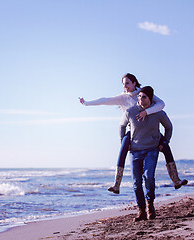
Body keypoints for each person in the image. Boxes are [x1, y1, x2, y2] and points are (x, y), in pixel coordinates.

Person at [79, 73, 187, 194]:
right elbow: (105, 100)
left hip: (150, 129)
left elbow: (161, 104)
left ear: (134, 83)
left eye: (127, 83)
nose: (125, 86)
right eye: (123, 84)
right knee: (122, 149)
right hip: (133, 130)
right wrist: (86, 103)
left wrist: (147, 112)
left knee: (166, 146)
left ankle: (176, 180)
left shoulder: (143, 92)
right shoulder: (122, 97)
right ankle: (116, 184)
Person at [122, 86, 172, 221]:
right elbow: (122, 126)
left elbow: (169, 127)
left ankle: (150, 206)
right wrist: (124, 143)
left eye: (144, 97)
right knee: (136, 182)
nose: (140, 99)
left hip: (152, 149)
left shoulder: (158, 112)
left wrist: (165, 142)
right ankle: (141, 210)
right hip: (135, 151)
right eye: (139, 96)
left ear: (150, 98)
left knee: (148, 177)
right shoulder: (130, 111)